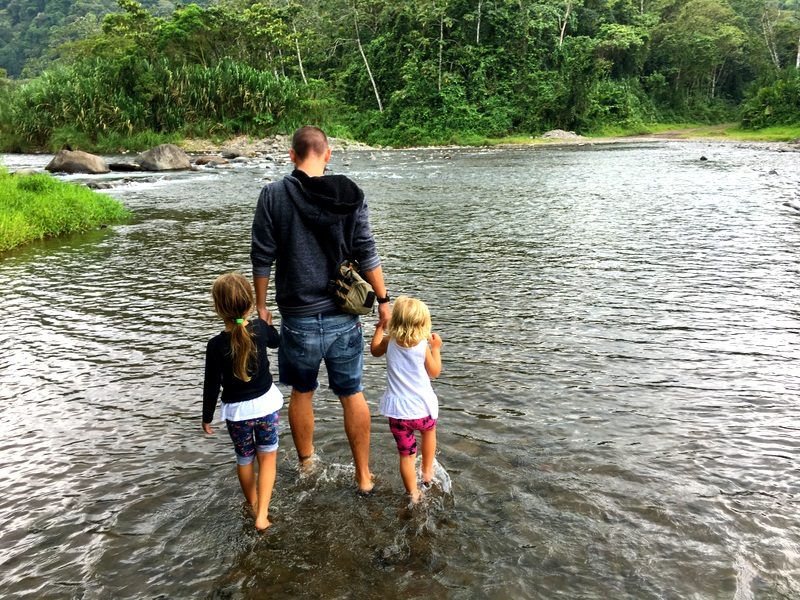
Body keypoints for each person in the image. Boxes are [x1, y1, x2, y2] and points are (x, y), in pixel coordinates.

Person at [250, 126, 390, 493]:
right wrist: (384, 301)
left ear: (292, 155)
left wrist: (261, 306)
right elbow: (366, 250)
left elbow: (262, 256)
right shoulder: (350, 194)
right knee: (352, 393)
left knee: (302, 392)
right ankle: (363, 476)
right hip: (345, 315)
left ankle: (307, 465)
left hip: (297, 318)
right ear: (327, 154)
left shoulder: (273, 195)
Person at [202, 272, 283, 530]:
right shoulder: (259, 328)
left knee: (245, 458)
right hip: (265, 406)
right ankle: (262, 515)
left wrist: (206, 417)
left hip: (237, 414)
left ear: (218, 308)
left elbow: (211, 385)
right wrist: (269, 324)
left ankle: (252, 503)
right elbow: (277, 342)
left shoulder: (215, 345)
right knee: (267, 457)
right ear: (249, 303)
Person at [370, 296, 443, 503]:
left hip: (398, 414)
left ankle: (413, 494)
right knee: (429, 433)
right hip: (422, 410)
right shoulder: (422, 346)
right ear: (422, 324)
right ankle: (427, 471)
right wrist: (436, 348)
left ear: (395, 321)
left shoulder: (389, 341)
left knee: (406, 456)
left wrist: (379, 328)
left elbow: (374, 351)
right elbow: (434, 372)